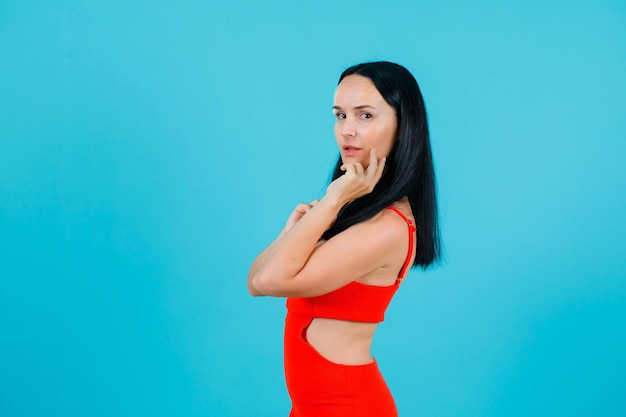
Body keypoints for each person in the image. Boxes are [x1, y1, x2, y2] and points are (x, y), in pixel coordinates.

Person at [248, 61, 440, 417]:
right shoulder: (359, 210)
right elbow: (254, 283)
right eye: (340, 115)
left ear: (402, 125)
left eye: (365, 116)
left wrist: (332, 202)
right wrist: (292, 233)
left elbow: (269, 279)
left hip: (346, 406)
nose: (346, 131)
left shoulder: (388, 225)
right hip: (312, 407)